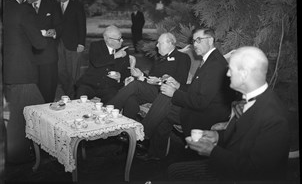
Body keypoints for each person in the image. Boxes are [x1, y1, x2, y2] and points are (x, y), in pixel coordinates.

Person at [168, 46, 290, 181]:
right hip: (230, 164)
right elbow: (241, 137)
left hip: (239, 176)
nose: (227, 74)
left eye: (230, 70)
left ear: (244, 74)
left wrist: (212, 151)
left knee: (176, 174)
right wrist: (217, 136)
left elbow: (258, 172)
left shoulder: (274, 118)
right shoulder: (248, 99)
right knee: (174, 170)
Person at [139, 28, 236, 161]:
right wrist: (178, 85)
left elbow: (201, 102)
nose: (195, 44)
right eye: (193, 40)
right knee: (165, 105)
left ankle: (142, 135)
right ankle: (155, 152)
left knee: (167, 99)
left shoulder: (215, 64)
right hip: (201, 105)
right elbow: (197, 88)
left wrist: (175, 93)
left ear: (210, 40)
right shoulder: (209, 60)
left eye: (198, 40)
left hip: (206, 113)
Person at [3, 0, 47, 164]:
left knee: (16, 116)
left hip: (7, 72)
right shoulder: (23, 11)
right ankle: (30, 157)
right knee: (41, 115)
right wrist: (40, 35)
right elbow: (39, 43)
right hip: (22, 73)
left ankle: (21, 154)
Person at [108, 32, 191, 121]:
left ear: (170, 43)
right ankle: (128, 128)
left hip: (165, 94)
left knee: (135, 85)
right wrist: (141, 75)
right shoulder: (158, 59)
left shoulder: (182, 57)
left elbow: (180, 81)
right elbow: (151, 78)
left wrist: (159, 81)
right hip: (153, 91)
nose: (157, 46)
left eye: (160, 43)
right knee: (130, 99)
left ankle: (107, 110)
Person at [23, 0, 61, 103]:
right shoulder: (22, 7)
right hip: (29, 58)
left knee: (48, 93)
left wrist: (55, 31)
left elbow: (60, 26)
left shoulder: (53, 4)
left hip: (48, 57)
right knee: (31, 96)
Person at [75, 25, 131, 104]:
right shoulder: (96, 46)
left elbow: (127, 71)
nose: (122, 40)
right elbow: (96, 62)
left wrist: (120, 76)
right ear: (107, 39)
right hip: (90, 84)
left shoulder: (124, 50)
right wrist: (115, 56)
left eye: (121, 37)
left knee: (112, 104)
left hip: (110, 87)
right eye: (119, 39)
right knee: (79, 100)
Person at [56, 0, 87, 99]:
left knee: (73, 73)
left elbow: (82, 25)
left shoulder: (77, 6)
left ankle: (74, 96)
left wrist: (81, 44)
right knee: (60, 71)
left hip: (74, 45)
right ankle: (68, 93)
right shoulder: (54, 6)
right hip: (58, 44)